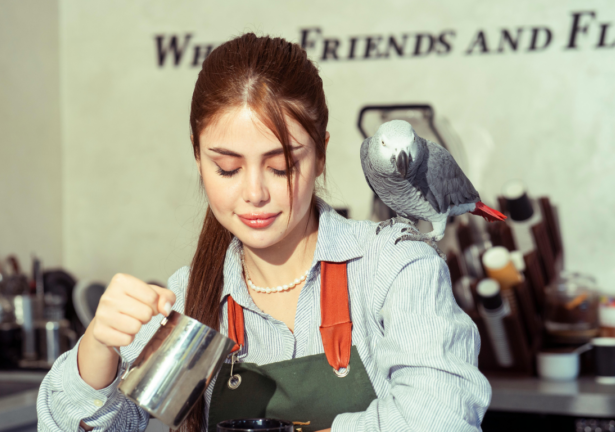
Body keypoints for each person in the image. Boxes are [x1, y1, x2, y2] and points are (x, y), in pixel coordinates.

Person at [37, 33, 491, 432]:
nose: (254, 193)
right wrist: (98, 350)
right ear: (199, 159)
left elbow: (438, 418)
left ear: (320, 156)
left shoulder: (395, 270)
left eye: (281, 166)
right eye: (227, 167)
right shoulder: (190, 299)